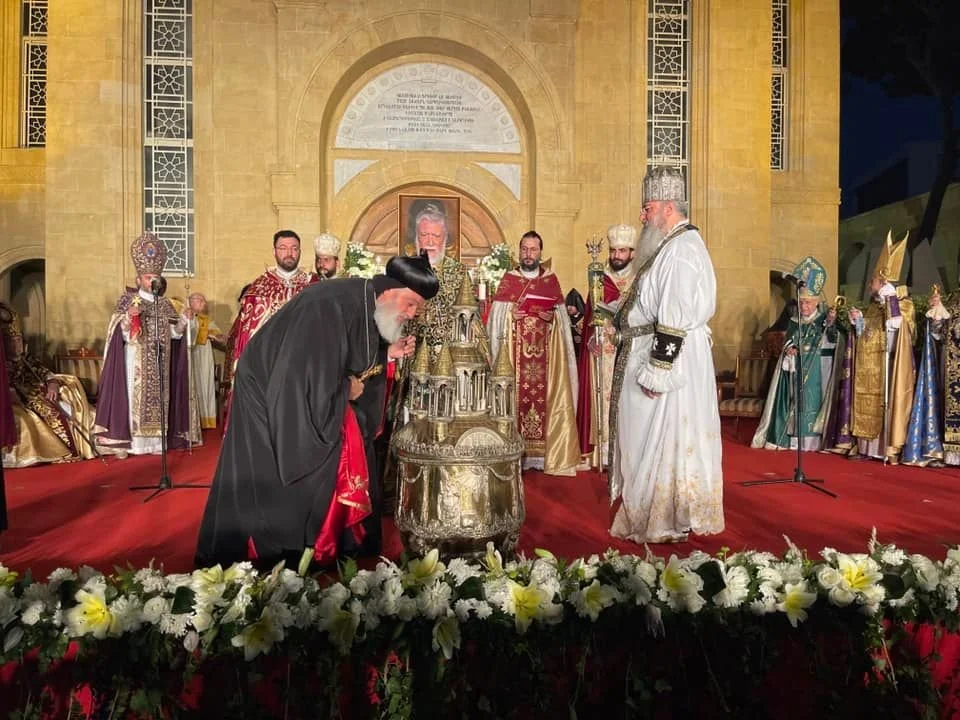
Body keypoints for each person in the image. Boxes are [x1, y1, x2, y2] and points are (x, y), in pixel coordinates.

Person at [195, 256, 437, 569]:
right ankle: (292, 547)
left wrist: (385, 353)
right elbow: (299, 379)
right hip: (270, 396)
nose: (410, 314)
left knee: (349, 436)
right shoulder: (327, 305)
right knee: (310, 459)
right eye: (410, 304)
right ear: (390, 291)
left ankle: (335, 541)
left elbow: (346, 352)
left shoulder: (365, 301)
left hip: (303, 391)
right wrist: (344, 390)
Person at [606, 165, 724, 544]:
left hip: (668, 365)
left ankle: (661, 518)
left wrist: (658, 372)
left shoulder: (681, 250)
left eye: (648, 208)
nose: (642, 215)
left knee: (661, 439)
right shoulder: (671, 246)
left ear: (668, 208)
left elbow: (672, 318)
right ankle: (658, 515)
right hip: (661, 354)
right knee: (650, 440)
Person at [487, 231, 580, 476]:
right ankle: (512, 452)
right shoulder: (509, 279)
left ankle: (544, 454)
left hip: (545, 359)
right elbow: (495, 319)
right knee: (516, 398)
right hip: (514, 360)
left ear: (541, 252)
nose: (528, 254)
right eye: (524, 249)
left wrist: (553, 320)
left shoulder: (550, 281)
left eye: (533, 249)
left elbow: (561, 321)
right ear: (519, 251)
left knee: (544, 399)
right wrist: (510, 316)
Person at [95, 233, 193, 456]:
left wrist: (184, 321)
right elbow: (119, 331)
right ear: (139, 279)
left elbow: (174, 335)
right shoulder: (128, 300)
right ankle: (132, 443)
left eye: (156, 277)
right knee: (134, 400)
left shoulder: (166, 304)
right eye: (148, 277)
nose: (152, 281)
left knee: (160, 399)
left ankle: (156, 443)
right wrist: (129, 317)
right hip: (136, 359)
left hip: (161, 360)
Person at [834, 231, 915, 463]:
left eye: (873, 281)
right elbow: (866, 332)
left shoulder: (904, 304)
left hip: (887, 365)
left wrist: (891, 302)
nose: (870, 285)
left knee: (885, 405)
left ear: (884, 283)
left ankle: (886, 449)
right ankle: (866, 448)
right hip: (867, 367)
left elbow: (898, 329)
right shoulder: (872, 306)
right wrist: (858, 320)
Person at [222, 230, 315, 426]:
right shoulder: (258, 289)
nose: (289, 253)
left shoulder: (313, 286)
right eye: (283, 248)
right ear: (274, 252)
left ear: (300, 251)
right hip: (269, 368)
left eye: (294, 248)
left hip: (305, 366)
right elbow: (248, 337)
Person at [751, 257, 844, 451]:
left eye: (808, 303)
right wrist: (789, 348)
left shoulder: (823, 319)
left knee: (813, 401)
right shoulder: (794, 320)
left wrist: (831, 324)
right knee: (797, 402)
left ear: (816, 303)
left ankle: (814, 441)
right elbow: (788, 341)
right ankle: (794, 440)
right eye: (802, 303)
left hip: (818, 368)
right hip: (796, 367)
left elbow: (835, 338)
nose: (804, 307)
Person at [0, 302, 97, 468]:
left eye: (19, 340)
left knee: (66, 404)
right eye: (13, 341)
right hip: (19, 399)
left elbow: (44, 372)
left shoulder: (26, 359)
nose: (18, 345)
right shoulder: (4, 364)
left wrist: (52, 384)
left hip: (35, 393)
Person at [576, 224, 638, 468]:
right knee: (603, 397)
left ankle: (629, 451)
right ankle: (602, 452)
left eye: (622, 251)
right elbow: (592, 313)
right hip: (604, 350)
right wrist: (593, 336)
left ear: (632, 252)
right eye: (613, 251)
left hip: (631, 347)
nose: (616, 256)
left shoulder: (640, 277)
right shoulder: (599, 277)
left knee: (628, 398)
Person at [185, 293, 223, 430]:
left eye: (204, 301)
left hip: (205, 355)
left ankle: (205, 419)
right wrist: (207, 334)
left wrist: (218, 336)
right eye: (200, 300)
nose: (204, 303)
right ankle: (191, 420)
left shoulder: (207, 320)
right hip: (191, 354)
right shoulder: (185, 317)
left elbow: (220, 337)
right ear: (191, 302)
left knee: (205, 383)